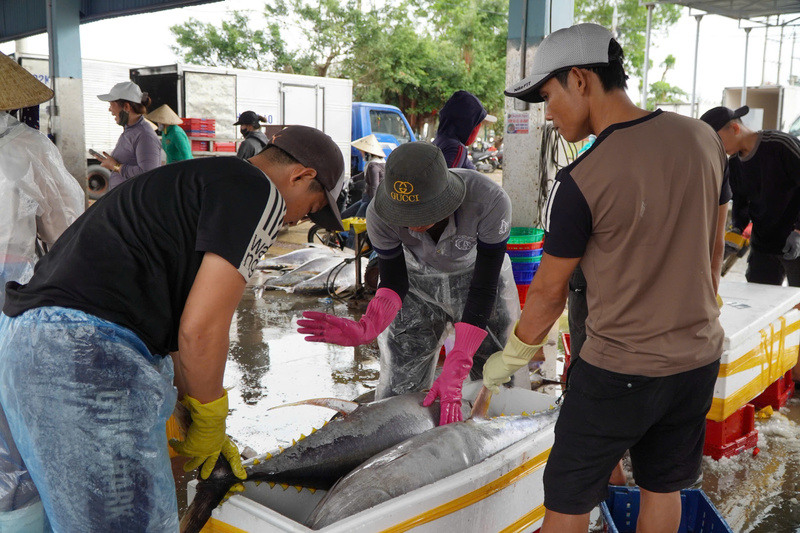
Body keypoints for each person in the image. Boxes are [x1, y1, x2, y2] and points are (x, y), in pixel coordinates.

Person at [0, 125, 345, 531]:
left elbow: (180, 330)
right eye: (311, 207)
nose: (299, 219)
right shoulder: (258, 191)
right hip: (87, 356)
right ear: (301, 176)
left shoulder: (194, 182)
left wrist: (194, 410)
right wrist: (212, 416)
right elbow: (202, 329)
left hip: (28, 346)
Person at [486, 23, 729, 532]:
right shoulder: (703, 138)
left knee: (569, 497)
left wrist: (509, 359)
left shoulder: (581, 178)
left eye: (547, 96)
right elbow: (715, 244)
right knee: (663, 486)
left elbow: (548, 293)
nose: (548, 114)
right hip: (697, 360)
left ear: (580, 79)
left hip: (619, 370)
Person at [298, 141, 520, 425]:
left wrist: (461, 356)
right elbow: (394, 279)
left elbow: (484, 286)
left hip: (477, 281)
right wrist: (369, 325)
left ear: (447, 199)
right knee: (401, 389)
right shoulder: (378, 213)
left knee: (496, 383)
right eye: (403, 216)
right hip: (415, 285)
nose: (413, 225)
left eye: (422, 214)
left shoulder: (488, 200)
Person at [0, 51, 85, 523]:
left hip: (11, 290)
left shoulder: (25, 148)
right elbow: (68, 233)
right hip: (13, 295)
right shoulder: (26, 147)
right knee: (16, 414)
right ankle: (20, 514)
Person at [700, 105, 800, 286]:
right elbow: (740, 201)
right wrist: (737, 229)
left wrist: (798, 231)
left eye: (717, 141)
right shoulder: (734, 164)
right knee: (759, 294)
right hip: (763, 244)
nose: (716, 148)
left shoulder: (780, 145)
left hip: (795, 239)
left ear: (735, 128)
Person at [96, 81, 161, 190]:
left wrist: (115, 166)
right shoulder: (131, 131)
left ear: (126, 106)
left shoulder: (145, 135)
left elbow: (148, 172)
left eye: (112, 104)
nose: (110, 109)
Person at [433, 90, 497, 169]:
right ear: (467, 125)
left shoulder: (439, 141)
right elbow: (448, 176)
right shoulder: (456, 148)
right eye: (478, 124)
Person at [342, 134, 386, 219]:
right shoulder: (380, 162)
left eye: (362, 152)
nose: (361, 154)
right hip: (369, 198)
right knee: (345, 216)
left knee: (356, 221)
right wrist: (352, 179)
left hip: (370, 200)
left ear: (367, 153)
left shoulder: (372, 166)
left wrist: (374, 206)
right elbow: (364, 174)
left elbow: (374, 186)